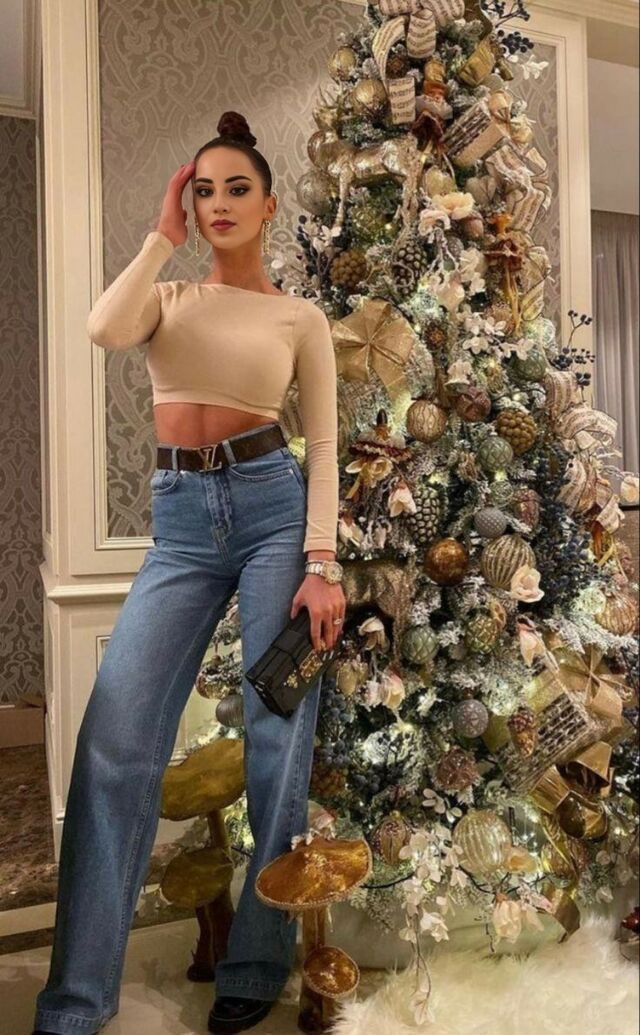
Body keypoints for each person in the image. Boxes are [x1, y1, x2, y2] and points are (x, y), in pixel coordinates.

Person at [32, 110, 345, 1035]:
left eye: (237, 188)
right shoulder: (166, 297)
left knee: (275, 730)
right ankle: (76, 1001)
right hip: (179, 523)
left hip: (273, 508)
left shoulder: (299, 317)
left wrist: (321, 561)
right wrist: (160, 235)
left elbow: (324, 443)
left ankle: (256, 958)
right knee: (115, 738)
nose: (219, 203)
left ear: (269, 205)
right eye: (203, 190)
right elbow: (102, 327)